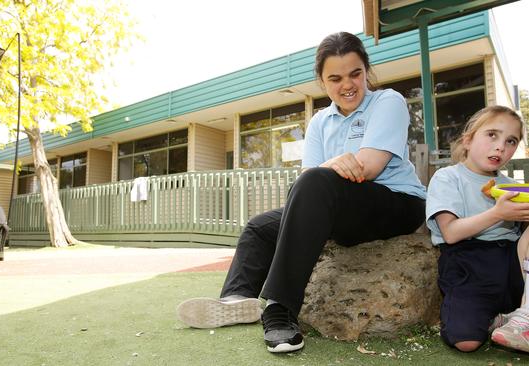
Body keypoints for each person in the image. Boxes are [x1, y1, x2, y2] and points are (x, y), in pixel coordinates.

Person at [176, 32, 426, 353]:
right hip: (342, 206)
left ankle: (280, 309)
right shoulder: (320, 121)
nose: (347, 84)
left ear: (367, 71)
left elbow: (368, 168)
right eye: (335, 78)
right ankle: (237, 299)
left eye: (355, 73)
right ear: (322, 83)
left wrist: (327, 170)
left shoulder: (387, 101)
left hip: (395, 203)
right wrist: (334, 164)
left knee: (315, 183)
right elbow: (311, 181)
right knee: (260, 227)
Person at [425, 105, 529, 354]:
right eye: (492, 135)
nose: (501, 146)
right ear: (467, 140)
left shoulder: (513, 186)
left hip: (511, 264)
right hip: (468, 264)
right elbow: (451, 232)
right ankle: (503, 318)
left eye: (510, 141)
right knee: (466, 342)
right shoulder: (447, 177)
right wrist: (498, 213)